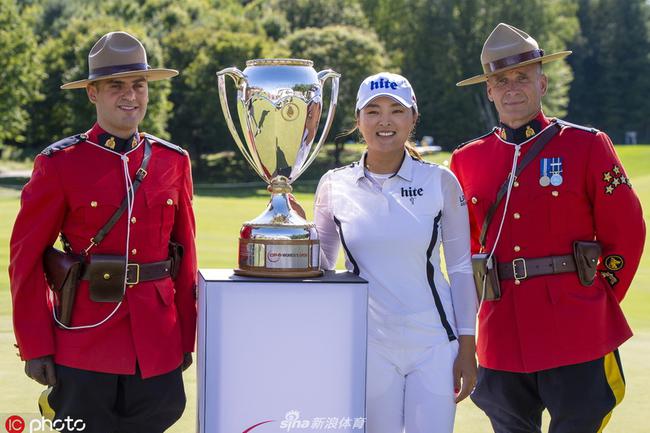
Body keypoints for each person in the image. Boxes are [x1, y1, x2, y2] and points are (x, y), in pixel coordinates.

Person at [451, 23, 645, 433]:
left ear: (543, 82)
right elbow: (466, 249)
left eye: (522, 77)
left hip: (576, 327)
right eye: (500, 80)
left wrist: (597, 297)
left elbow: (627, 231)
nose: (512, 88)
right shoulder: (468, 160)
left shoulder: (586, 145)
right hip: (501, 333)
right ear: (489, 90)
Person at [9, 31, 197, 433]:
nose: (131, 95)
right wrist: (35, 345)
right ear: (93, 92)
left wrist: (186, 336)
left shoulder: (173, 161)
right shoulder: (59, 164)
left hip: (156, 341)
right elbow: (25, 260)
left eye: (139, 85)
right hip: (84, 339)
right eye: (116, 86)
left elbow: (186, 257)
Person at [314, 72, 478, 433]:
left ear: (413, 118)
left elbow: (462, 270)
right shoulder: (333, 185)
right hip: (369, 344)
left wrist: (468, 346)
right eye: (372, 111)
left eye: (396, 111)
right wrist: (298, 233)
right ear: (358, 120)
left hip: (434, 344)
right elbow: (322, 270)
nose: (384, 121)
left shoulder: (440, 182)